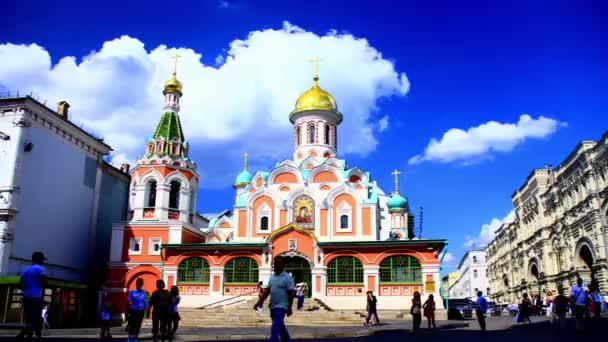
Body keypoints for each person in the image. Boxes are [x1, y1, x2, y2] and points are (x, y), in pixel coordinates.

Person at [254, 257, 296, 342]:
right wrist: (259, 302)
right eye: (275, 263)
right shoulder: (272, 277)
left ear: (283, 265)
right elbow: (267, 291)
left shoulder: (287, 278)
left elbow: (292, 293)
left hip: (282, 306)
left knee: (276, 324)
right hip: (273, 305)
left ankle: (273, 339)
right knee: (280, 325)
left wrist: (289, 307)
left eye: (278, 263)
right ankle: (287, 340)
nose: (276, 266)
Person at [18, 251, 48, 340]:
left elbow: (20, 284)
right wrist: (43, 284)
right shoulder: (40, 269)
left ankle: (28, 333)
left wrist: (26, 289)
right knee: (37, 316)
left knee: (29, 317)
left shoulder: (26, 269)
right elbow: (44, 281)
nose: (43, 261)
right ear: (38, 259)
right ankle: (36, 334)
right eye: (42, 259)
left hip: (26, 296)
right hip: (35, 297)